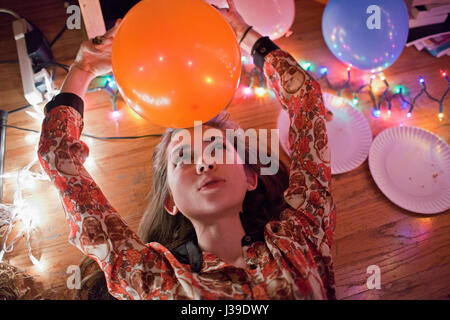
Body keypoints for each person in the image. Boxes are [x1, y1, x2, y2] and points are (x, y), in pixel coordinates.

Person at [38, 0, 336, 300]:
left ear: (250, 176)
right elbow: (305, 97)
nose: (205, 162)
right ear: (170, 200)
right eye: (182, 157)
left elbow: (57, 157)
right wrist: (84, 67)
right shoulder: (149, 278)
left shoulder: (302, 234)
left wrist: (241, 31)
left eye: (216, 147)